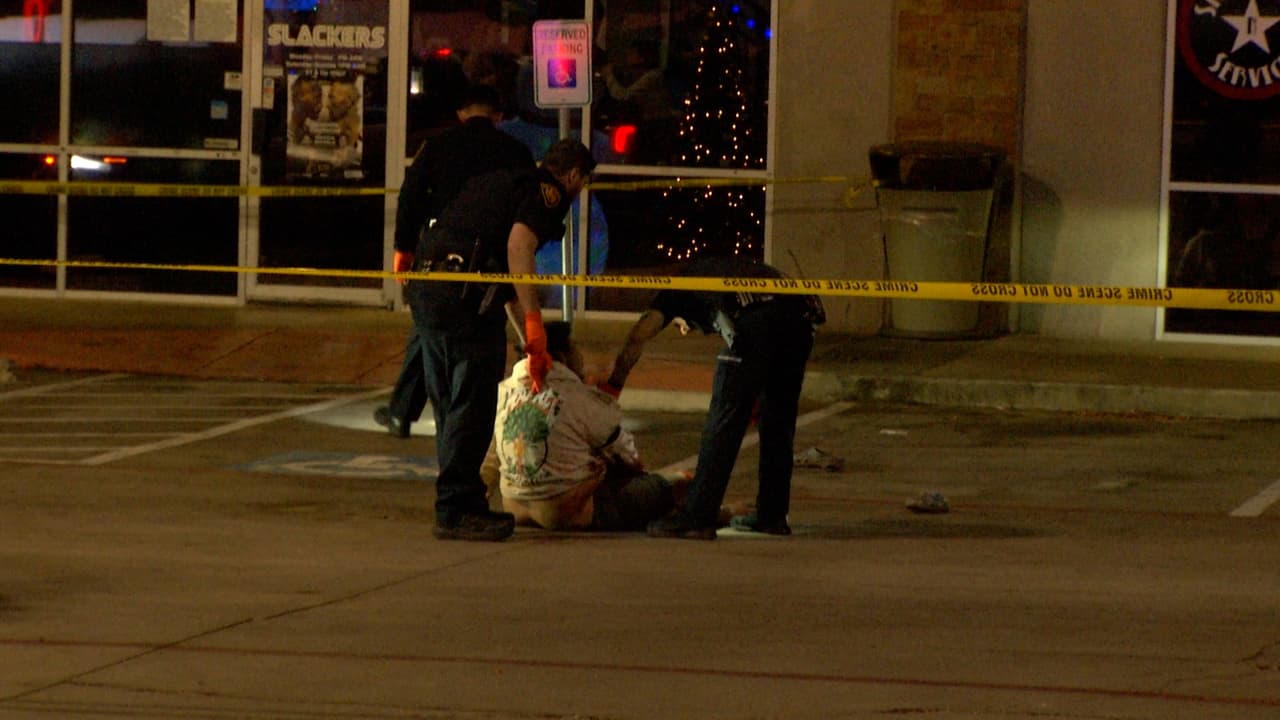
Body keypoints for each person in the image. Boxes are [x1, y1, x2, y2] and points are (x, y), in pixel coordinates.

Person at [405, 138, 596, 541]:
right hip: (464, 299)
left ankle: (457, 502)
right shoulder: (549, 192)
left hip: (428, 287)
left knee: (448, 404)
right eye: (582, 184)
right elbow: (519, 247)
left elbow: (505, 278)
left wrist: (528, 341)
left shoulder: (501, 183)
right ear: (574, 175)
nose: (578, 194)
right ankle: (457, 508)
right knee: (473, 405)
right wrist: (534, 324)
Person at [600, 255, 825, 540]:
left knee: (724, 421)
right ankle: (772, 516)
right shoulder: (724, 271)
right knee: (778, 422)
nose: (685, 328)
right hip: (800, 320)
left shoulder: (675, 290)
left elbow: (639, 336)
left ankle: (697, 515)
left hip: (757, 319)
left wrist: (611, 391)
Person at [375, 84, 535, 438]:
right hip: (495, 255)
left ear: (461, 114)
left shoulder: (438, 146)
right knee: (445, 331)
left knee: (433, 327)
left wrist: (404, 246)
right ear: (498, 116)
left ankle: (427, 418)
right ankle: (407, 410)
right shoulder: (516, 151)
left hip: (441, 255)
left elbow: (411, 195)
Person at [479, 321, 688, 531]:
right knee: (674, 484)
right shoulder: (577, 396)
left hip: (516, 508)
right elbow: (626, 453)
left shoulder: (502, 393)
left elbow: (489, 460)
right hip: (567, 510)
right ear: (562, 356)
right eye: (575, 349)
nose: (580, 357)